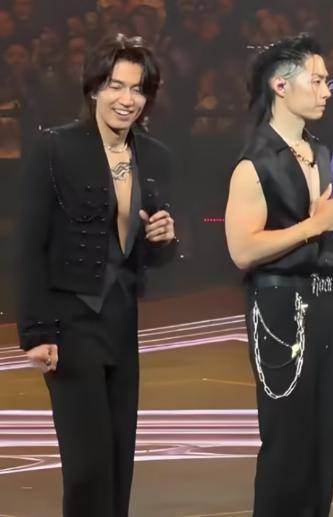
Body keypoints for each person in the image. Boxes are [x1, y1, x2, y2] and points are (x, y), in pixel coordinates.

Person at [16, 33, 177, 517]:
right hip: (70, 321)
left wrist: (164, 239)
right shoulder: (56, 148)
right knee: (87, 464)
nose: (127, 99)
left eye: (138, 89)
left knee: (118, 457)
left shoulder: (155, 156)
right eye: (116, 86)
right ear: (94, 89)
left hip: (121, 321)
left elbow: (148, 254)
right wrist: (37, 331)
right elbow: (29, 245)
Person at [224, 33, 333, 517]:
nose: (326, 91)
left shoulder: (319, 151)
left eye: (327, 82)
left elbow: (322, 240)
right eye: (316, 81)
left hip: (324, 304)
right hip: (280, 310)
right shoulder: (255, 162)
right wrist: (313, 226)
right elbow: (242, 250)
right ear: (281, 85)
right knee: (289, 441)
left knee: (328, 435)